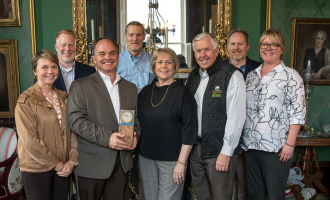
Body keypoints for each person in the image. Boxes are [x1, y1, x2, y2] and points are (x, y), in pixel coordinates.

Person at [67, 38, 140, 200]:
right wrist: (108, 138)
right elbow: (75, 121)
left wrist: (135, 135)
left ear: (118, 56)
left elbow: (136, 119)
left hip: (121, 163)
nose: (107, 57)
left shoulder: (130, 88)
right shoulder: (80, 86)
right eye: (102, 53)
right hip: (91, 163)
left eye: (112, 53)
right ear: (94, 59)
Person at [241, 28, 306, 200]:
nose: (268, 48)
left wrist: (290, 144)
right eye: (264, 44)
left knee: (275, 195)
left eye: (273, 44)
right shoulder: (251, 76)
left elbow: (297, 113)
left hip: (276, 148)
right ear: (259, 47)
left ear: (281, 48)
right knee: (255, 195)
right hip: (250, 146)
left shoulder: (291, 76)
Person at [186, 32, 246, 200]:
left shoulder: (232, 75)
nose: (202, 55)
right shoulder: (193, 76)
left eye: (207, 49)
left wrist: (226, 152)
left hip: (219, 151)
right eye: (198, 51)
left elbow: (236, 117)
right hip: (196, 149)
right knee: (202, 197)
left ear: (217, 50)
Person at [15, 49, 78, 200]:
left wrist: (72, 160)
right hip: (36, 168)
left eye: (54, 67)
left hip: (63, 167)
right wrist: (57, 164)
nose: (50, 71)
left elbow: (72, 132)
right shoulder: (25, 101)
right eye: (44, 67)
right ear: (34, 71)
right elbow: (30, 140)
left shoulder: (64, 98)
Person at [137, 47, 197, 200]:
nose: (164, 66)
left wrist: (181, 163)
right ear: (153, 66)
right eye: (160, 62)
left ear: (175, 66)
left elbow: (190, 130)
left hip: (172, 160)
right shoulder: (144, 92)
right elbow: (137, 122)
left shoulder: (183, 93)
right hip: (146, 158)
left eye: (169, 62)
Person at [225, 28, 261, 200]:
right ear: (227, 47)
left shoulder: (260, 70)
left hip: (252, 141)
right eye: (233, 44)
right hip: (226, 139)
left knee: (247, 188)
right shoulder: (219, 70)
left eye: (240, 44)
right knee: (227, 186)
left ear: (248, 47)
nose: (236, 47)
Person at [117, 21, 155, 92]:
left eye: (139, 35)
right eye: (131, 35)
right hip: (123, 102)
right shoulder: (116, 61)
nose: (135, 39)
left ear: (144, 37)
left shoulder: (153, 60)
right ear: (125, 37)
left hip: (147, 101)